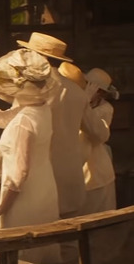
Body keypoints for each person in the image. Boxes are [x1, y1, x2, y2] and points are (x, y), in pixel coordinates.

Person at [14, 33, 109, 218]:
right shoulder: (77, 93)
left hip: (35, 176)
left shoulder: (28, 89)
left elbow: (14, 129)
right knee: (69, 240)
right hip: (68, 178)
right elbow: (99, 134)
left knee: (36, 237)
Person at [0, 49, 61, 264]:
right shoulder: (41, 109)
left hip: (23, 200)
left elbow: (20, 173)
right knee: (42, 250)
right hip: (44, 188)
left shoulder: (23, 122)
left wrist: (1, 208)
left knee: (22, 257)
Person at [80, 68, 119, 214]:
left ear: (100, 92)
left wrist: (84, 103)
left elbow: (96, 133)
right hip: (78, 165)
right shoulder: (80, 102)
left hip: (96, 168)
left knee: (99, 213)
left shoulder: (105, 109)